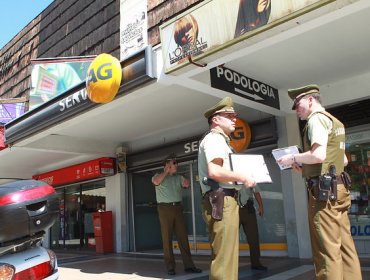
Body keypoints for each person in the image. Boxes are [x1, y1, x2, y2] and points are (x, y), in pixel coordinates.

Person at [276, 85, 362, 280]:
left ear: (310, 100)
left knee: (325, 249)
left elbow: (318, 154)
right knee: (345, 247)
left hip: (324, 194)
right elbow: (343, 160)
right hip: (339, 190)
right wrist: (304, 167)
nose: (295, 110)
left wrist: (293, 159)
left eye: (297, 104)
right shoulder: (335, 121)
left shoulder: (315, 120)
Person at [198, 96, 256, 280]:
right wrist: (243, 176)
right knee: (224, 261)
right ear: (215, 119)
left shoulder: (222, 141)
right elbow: (214, 171)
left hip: (225, 200)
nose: (234, 119)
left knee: (227, 258)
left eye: (235, 116)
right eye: (229, 116)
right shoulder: (214, 139)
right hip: (222, 200)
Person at [152, 154, 202, 276]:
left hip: (178, 208)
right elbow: (156, 181)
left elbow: (186, 184)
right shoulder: (157, 176)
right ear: (167, 165)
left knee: (183, 238)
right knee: (167, 238)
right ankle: (170, 267)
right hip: (165, 208)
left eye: (176, 163)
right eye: (174, 163)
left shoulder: (178, 177)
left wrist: (186, 181)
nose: (176, 165)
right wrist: (166, 172)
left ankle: (189, 266)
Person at [238, 186, 267, 271]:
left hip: (248, 208)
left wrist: (261, 206)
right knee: (231, 239)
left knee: (253, 237)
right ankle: (230, 264)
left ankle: (256, 263)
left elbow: (256, 191)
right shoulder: (230, 175)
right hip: (234, 209)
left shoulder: (250, 175)